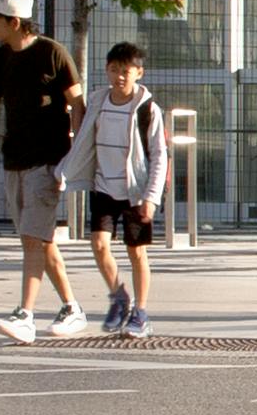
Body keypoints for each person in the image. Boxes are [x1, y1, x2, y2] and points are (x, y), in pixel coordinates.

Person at [0, 0, 88, 340]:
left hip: (47, 162)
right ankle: (72, 307)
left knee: (33, 239)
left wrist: (73, 158)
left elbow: (77, 106)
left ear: (14, 22)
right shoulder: (0, 59)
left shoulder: (53, 54)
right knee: (38, 239)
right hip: (13, 160)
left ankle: (25, 314)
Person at [67, 41, 178, 341]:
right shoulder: (98, 102)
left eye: (125, 71)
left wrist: (151, 198)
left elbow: (159, 156)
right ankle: (119, 295)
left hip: (136, 190)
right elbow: (83, 140)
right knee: (99, 245)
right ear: (106, 69)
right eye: (114, 70)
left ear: (138, 73)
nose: (119, 76)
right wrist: (66, 172)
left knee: (136, 252)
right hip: (103, 186)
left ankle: (140, 312)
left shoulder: (148, 110)